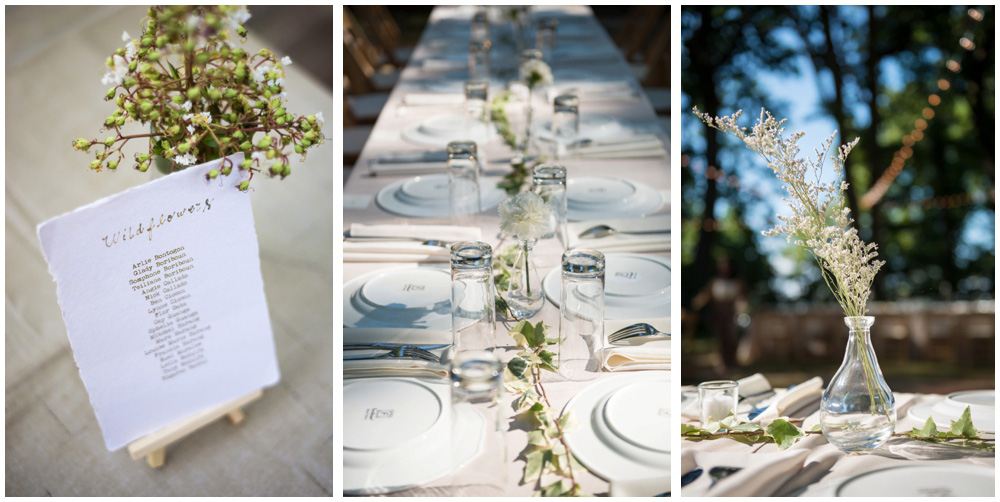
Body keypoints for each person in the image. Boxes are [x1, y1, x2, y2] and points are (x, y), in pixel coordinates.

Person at [692, 257, 748, 376]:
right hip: (718, 313)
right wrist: (697, 303)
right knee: (721, 339)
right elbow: (706, 295)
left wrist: (742, 307)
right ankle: (723, 364)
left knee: (732, 338)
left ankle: (733, 363)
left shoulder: (738, 281)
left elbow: (743, 297)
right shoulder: (714, 281)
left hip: (732, 313)